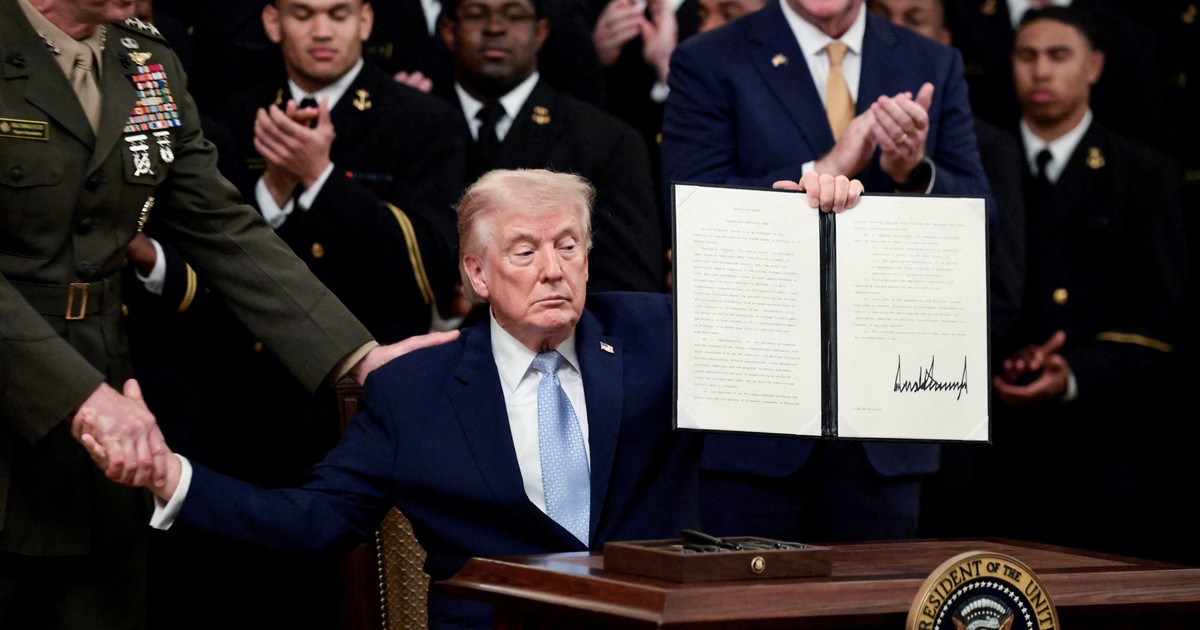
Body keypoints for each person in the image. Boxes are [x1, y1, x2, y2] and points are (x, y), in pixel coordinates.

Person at [80, 168, 863, 630]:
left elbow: (787, 328)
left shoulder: (659, 336)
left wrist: (810, 225)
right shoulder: (414, 392)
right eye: (525, 251)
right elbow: (313, 522)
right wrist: (172, 479)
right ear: (477, 276)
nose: (554, 269)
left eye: (569, 246)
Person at [0, 0, 446, 627]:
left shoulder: (146, 59)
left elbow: (219, 224)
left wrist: (356, 356)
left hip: (111, 410)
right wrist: (79, 395)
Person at [661, 0, 991, 543]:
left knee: (877, 592)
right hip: (756, 412)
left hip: (886, 417)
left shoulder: (931, 60)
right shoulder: (710, 59)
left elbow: (980, 223)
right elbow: (691, 216)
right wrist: (828, 168)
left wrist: (913, 172)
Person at [982, 6, 1186, 556]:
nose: (1041, 71)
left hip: (1100, 439)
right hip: (993, 445)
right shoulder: (981, 164)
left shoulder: (1142, 174)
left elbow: (1160, 313)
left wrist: (1072, 370)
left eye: (1058, 56)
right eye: (1027, 56)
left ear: (1093, 66)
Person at [219, 0, 465, 341]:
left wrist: (320, 177)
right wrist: (274, 188)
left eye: (339, 15)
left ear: (365, 21)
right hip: (258, 353)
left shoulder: (424, 121)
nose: (322, 32)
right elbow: (219, 262)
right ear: (273, 22)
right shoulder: (237, 117)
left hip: (373, 352)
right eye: (303, 15)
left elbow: (432, 270)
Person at [439, 0, 667, 293]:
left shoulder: (606, 141)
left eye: (514, 15)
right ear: (448, 31)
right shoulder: (413, 124)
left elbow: (628, 285)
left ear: (540, 32)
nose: (494, 28)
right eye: (476, 14)